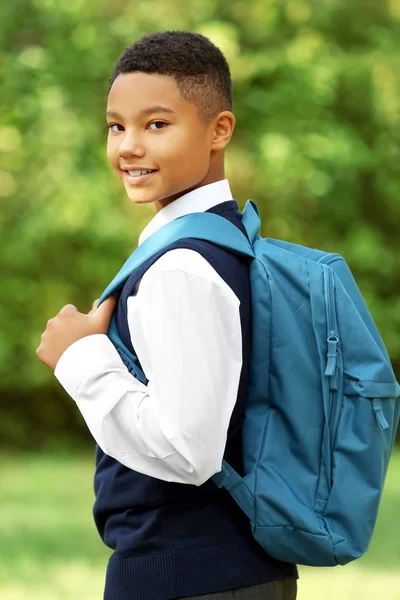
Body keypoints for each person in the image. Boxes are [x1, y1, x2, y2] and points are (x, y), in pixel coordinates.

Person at [36, 31, 298, 600]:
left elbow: (189, 450)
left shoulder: (182, 266)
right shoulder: (226, 243)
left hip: (187, 575)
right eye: (116, 125)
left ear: (218, 130)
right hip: (228, 571)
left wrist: (80, 359)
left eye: (156, 125)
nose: (129, 145)